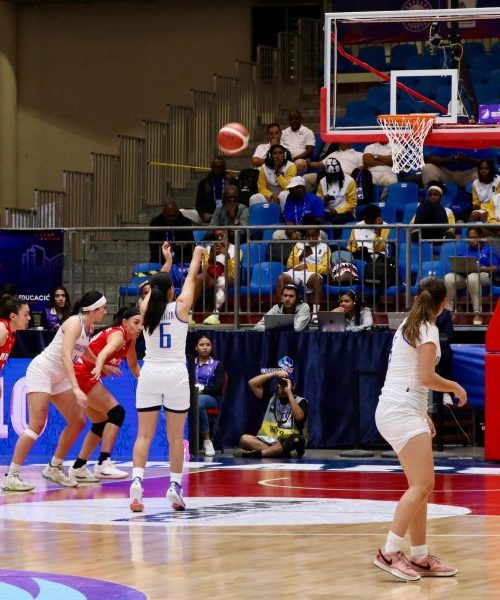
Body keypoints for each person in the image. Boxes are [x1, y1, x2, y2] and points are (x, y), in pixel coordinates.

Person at [373, 276, 466, 581]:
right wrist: (454, 386)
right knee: (423, 486)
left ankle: (420, 557)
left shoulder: (407, 326)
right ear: (443, 305)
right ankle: (388, 552)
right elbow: (426, 377)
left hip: (397, 408)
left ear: (417, 299)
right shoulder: (428, 329)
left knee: (421, 487)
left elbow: (407, 376)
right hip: (400, 411)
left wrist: (421, 412)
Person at [2, 291, 107, 492]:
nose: (105, 311)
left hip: (58, 377)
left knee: (78, 421)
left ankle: (55, 467)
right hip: (43, 370)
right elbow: (67, 356)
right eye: (103, 308)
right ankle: (13, 475)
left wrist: (101, 364)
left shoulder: (89, 326)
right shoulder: (75, 323)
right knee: (37, 424)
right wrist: (76, 388)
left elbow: (82, 348)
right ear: (93, 309)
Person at [129, 244, 207, 512]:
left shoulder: (145, 306)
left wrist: (167, 262)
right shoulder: (181, 307)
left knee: (144, 435)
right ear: (172, 291)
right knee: (175, 438)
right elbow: (190, 279)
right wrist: (196, 256)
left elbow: (156, 287)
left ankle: (137, 482)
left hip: (150, 373)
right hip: (175, 374)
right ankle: (174, 486)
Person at [68, 307, 143, 482]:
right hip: (80, 371)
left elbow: (133, 365)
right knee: (117, 412)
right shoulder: (118, 336)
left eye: (142, 324)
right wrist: (100, 367)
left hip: (82, 373)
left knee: (100, 423)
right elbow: (103, 353)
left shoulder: (130, 340)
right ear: (125, 323)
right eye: (136, 323)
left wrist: (145, 383)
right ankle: (103, 463)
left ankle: (78, 467)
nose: (140, 327)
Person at [234, 370, 308, 459]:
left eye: (286, 383)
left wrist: (289, 392)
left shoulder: (301, 401)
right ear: (276, 385)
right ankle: (281, 454)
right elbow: (252, 383)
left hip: (288, 442)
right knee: (244, 439)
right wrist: (274, 374)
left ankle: (257, 454)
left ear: (293, 385)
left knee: (298, 440)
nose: (283, 387)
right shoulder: (270, 398)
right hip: (268, 440)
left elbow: (299, 417)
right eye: (281, 384)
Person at [444, 226, 500, 325]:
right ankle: (449, 311)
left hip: (484, 275)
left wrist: (483, 268)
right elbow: (458, 263)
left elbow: (496, 267)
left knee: (472, 277)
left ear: (481, 236)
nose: (472, 240)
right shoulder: (465, 251)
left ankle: (477, 313)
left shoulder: (489, 249)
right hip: (465, 275)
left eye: (475, 237)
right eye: (470, 237)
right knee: (448, 277)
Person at [275, 218, 330, 318]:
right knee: (281, 278)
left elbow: (326, 269)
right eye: (309, 236)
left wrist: (308, 267)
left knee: (317, 279)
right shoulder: (299, 244)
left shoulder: (325, 247)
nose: (312, 239)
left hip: (312, 274)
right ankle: (281, 311)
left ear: (318, 234)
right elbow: (289, 264)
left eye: (314, 236)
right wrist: (300, 257)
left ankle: (314, 314)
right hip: (296, 272)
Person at [191, 229, 241, 326]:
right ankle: (189, 314)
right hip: (213, 276)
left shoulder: (236, 249)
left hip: (230, 277)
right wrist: (211, 258)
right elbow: (205, 270)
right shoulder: (209, 248)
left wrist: (227, 255)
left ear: (227, 234)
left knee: (221, 280)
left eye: (222, 235)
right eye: (217, 235)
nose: (219, 238)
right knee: (199, 278)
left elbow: (234, 271)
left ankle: (215, 315)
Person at [193, 335, 226, 457]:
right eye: (202, 345)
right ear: (196, 348)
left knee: (199, 402)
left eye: (208, 345)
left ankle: (207, 441)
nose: (205, 347)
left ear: (211, 348)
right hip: (189, 397)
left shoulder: (217, 365)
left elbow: (217, 388)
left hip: (211, 398)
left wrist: (201, 390)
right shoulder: (190, 364)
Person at [0, 297, 31, 401]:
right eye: (25, 314)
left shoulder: (11, 334)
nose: (29, 318)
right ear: (13, 316)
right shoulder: (2, 330)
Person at [421, 146, 496, 188]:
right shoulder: (449, 137)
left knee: (486, 172)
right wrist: (449, 159)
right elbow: (430, 159)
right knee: (428, 168)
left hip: (469, 174)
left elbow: (489, 163)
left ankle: (483, 202)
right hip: (447, 173)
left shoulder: (478, 139)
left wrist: (468, 159)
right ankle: (430, 198)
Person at [249, 144, 296, 209]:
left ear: (284, 155)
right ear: (270, 156)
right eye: (274, 153)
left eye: (280, 153)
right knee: (254, 198)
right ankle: (258, 218)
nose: (277, 155)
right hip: (270, 196)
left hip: (285, 194)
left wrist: (278, 174)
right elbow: (261, 188)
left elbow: (288, 187)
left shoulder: (291, 166)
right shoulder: (264, 167)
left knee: (284, 195)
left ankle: (283, 217)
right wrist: (272, 195)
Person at [316, 157, 357, 232]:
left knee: (336, 220)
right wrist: (324, 200)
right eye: (331, 175)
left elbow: (352, 204)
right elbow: (318, 202)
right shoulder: (322, 182)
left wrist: (337, 211)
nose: (334, 177)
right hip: (327, 211)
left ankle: (336, 241)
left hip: (345, 212)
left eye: (336, 174)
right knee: (316, 219)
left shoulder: (350, 181)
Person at [148, 199, 194, 264]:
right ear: (164, 213)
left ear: (178, 212)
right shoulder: (155, 222)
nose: (171, 219)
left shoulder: (185, 222)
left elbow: (191, 241)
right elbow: (153, 245)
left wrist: (185, 244)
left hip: (181, 258)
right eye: (169, 216)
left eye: (174, 215)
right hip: (160, 258)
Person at [195, 156, 237, 224]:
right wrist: (203, 214)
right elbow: (199, 202)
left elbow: (238, 199)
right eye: (215, 167)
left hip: (228, 217)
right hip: (210, 218)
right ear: (212, 167)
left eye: (220, 167)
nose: (218, 169)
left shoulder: (232, 181)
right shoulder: (204, 183)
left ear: (224, 168)